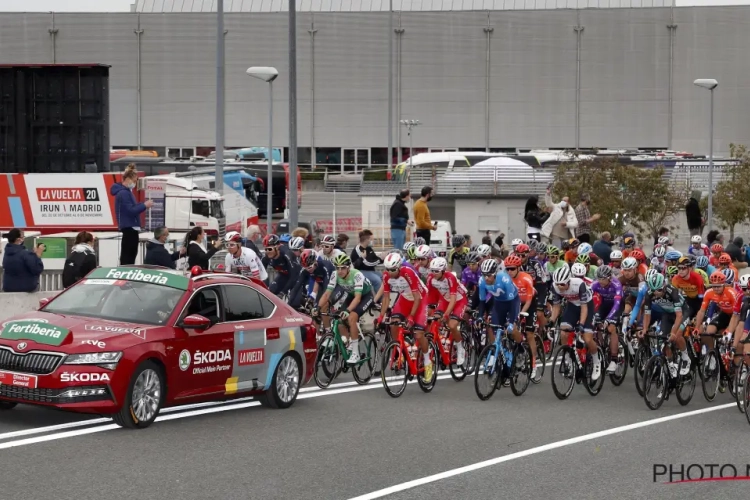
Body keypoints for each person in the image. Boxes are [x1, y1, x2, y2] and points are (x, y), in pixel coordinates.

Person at [376, 253, 431, 376]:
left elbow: (417, 297)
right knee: (394, 324)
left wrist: (411, 316)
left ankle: (427, 361)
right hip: (405, 299)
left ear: (399, 267)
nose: (390, 272)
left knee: (418, 333)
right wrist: (381, 317)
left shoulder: (407, 272)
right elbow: (386, 298)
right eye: (387, 269)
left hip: (420, 299)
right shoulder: (386, 275)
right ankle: (398, 350)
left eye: (393, 270)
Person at [317, 254, 374, 365]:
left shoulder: (356, 275)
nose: (340, 271)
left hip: (365, 296)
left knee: (352, 317)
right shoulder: (335, 275)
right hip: (352, 295)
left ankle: (355, 352)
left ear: (348, 267)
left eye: (343, 268)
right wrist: (317, 307)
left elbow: (358, 298)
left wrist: (347, 311)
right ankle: (348, 343)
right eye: (337, 268)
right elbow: (327, 294)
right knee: (339, 321)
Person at [426, 257, 468, 367]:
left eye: (436, 271)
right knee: (434, 319)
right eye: (432, 270)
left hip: (459, 300)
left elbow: (454, 299)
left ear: (444, 271)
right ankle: (439, 344)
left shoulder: (450, 278)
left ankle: (460, 348)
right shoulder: (430, 278)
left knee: (452, 325)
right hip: (445, 299)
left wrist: (446, 314)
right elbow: (429, 297)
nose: (433, 273)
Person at [110, 163, 154, 265]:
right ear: (127, 179)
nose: (134, 183)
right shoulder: (124, 193)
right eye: (134, 181)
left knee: (129, 256)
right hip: (130, 228)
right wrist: (144, 205)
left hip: (130, 228)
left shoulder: (126, 193)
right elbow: (131, 210)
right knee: (129, 257)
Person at [1, 229, 45, 293]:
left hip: (8, 288)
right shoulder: (25, 254)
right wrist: (38, 255)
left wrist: (32, 255)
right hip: (26, 288)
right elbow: (37, 269)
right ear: (19, 239)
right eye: (23, 237)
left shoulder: (7, 253)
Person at [351, 229, 383, 294]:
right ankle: (380, 300)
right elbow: (368, 263)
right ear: (367, 240)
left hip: (371, 271)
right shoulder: (358, 250)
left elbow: (374, 258)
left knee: (383, 277)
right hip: (361, 271)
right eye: (372, 239)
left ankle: (383, 296)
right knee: (377, 280)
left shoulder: (369, 248)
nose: (373, 241)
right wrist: (381, 259)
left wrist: (382, 257)